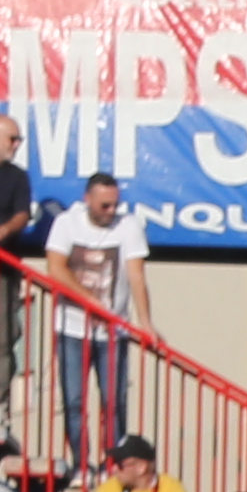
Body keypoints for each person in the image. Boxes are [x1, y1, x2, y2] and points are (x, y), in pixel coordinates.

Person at [40, 175, 154, 476]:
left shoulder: (128, 226)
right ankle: (81, 464)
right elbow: (55, 268)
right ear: (87, 199)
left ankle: (111, 463)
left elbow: (136, 275)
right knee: (74, 401)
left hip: (113, 332)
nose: (111, 211)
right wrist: (91, 300)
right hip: (72, 328)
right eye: (104, 205)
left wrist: (145, 323)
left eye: (115, 205)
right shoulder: (67, 223)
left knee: (114, 402)